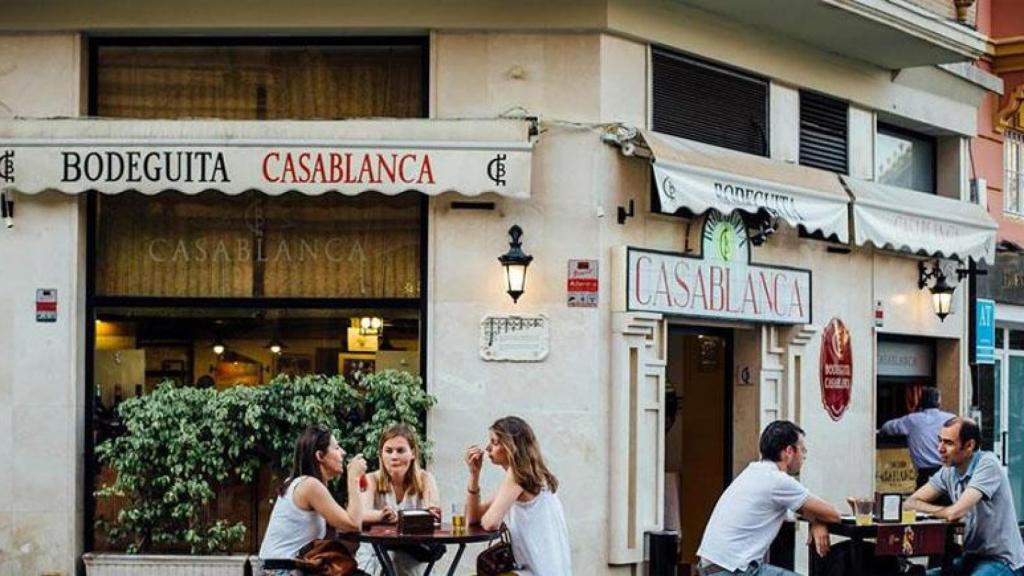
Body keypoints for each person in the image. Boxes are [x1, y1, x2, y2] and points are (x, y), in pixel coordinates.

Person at [696, 420, 841, 576]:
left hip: (712, 567)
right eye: (803, 450)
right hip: (733, 571)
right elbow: (833, 514)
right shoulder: (777, 481)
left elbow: (804, 509)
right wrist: (820, 519)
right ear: (789, 451)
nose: (804, 457)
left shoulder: (754, 472)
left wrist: (816, 520)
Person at [906, 417, 1024, 576]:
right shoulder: (948, 470)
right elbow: (909, 503)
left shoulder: (988, 464)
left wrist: (944, 512)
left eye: (948, 443)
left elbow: (955, 513)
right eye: (939, 440)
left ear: (969, 446)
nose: (940, 448)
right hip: (971, 558)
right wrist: (944, 511)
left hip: (1001, 560)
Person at [465, 416, 572, 576]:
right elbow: (472, 518)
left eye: (494, 442)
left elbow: (490, 523)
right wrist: (474, 475)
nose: (487, 449)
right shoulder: (529, 474)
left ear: (511, 446)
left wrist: (493, 516)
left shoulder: (517, 475)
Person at [259, 425, 367, 576]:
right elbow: (353, 524)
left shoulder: (299, 482)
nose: (343, 452)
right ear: (320, 456)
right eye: (336, 448)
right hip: (283, 570)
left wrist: (381, 516)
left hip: (283, 567)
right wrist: (354, 478)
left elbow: (344, 518)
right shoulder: (309, 485)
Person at [356, 423, 443, 576]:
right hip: (377, 558)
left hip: (414, 559)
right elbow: (361, 514)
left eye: (400, 450)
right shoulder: (372, 479)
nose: (394, 456)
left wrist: (400, 518)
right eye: (388, 451)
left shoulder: (425, 478)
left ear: (413, 453)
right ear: (381, 455)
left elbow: (433, 514)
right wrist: (382, 516)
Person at [879, 387, 955, 487]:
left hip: (926, 477)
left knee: (922, 502)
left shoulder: (912, 420)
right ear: (939, 401)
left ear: (921, 401)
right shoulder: (951, 419)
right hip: (949, 475)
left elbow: (887, 428)